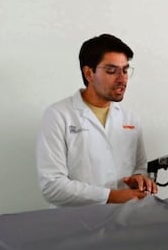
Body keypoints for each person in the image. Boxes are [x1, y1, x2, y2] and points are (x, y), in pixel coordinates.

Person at [36, 33, 158, 206]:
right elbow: (52, 186)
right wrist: (111, 196)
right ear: (89, 73)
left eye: (125, 70)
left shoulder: (130, 118)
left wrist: (138, 179)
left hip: (124, 220)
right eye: (111, 71)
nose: (122, 79)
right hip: (77, 223)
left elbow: (140, 167)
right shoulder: (58, 115)